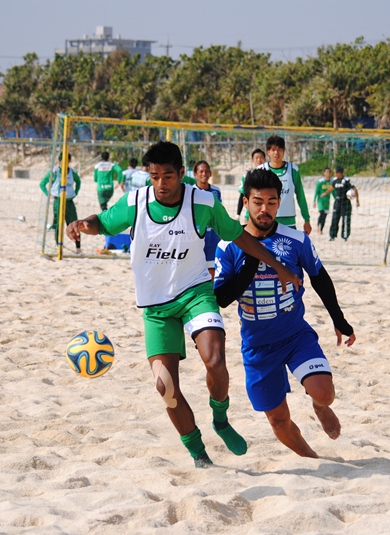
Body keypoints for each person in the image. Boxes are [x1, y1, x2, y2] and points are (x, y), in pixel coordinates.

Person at [66, 141, 302, 468]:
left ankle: (220, 418)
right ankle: (199, 453)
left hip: (196, 294)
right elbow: (102, 222)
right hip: (156, 309)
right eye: (155, 177)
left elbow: (239, 236)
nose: (161, 184)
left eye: (168, 176)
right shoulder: (135, 201)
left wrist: (278, 266)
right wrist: (81, 225)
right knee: (164, 387)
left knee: (215, 360)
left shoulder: (203, 202)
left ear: (181, 173)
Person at [214, 168, 355, 458]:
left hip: (294, 336)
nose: (264, 209)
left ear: (280, 203)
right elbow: (222, 298)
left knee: (325, 393)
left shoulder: (296, 240)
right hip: (257, 346)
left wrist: (338, 319)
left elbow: (320, 277)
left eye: (271, 202)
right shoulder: (228, 246)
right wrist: (252, 259)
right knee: (279, 421)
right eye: (257, 202)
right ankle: (315, 461)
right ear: (245, 202)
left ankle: (319, 407)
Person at [258, 136, 312, 234]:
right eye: (273, 150)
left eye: (279, 149)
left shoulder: (293, 170)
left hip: (289, 222)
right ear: (268, 151)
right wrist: (248, 217)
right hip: (267, 220)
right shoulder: (261, 170)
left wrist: (306, 219)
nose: (276, 153)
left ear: (284, 150)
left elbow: (300, 196)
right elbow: (255, 196)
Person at [40, 153, 82, 253]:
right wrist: (48, 194)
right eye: (62, 161)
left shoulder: (72, 172)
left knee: (74, 225)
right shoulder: (54, 172)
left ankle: (78, 248)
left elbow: (78, 182)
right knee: (58, 224)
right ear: (59, 161)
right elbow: (42, 184)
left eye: (67, 161)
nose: (64, 163)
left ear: (69, 162)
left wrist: (75, 192)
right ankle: (59, 246)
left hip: (69, 202)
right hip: (58, 201)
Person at [193, 160, 222, 278]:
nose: (204, 174)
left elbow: (219, 214)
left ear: (210, 173)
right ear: (195, 174)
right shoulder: (191, 192)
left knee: (212, 270)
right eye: (201, 171)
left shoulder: (216, 191)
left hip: (213, 236)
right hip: (197, 236)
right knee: (196, 270)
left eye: (206, 171)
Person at [325, 167, 359, 241]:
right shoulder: (335, 180)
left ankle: (345, 236)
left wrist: (357, 200)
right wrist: (325, 193)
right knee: (334, 219)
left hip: (346, 203)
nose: (334, 174)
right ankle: (332, 235)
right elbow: (331, 187)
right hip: (337, 202)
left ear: (339, 173)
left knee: (346, 220)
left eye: (335, 172)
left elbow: (355, 189)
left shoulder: (347, 180)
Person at [238, 148, 266, 220]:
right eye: (256, 158)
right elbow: (242, 195)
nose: (259, 160)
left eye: (261, 157)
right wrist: (238, 214)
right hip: (250, 215)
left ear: (265, 159)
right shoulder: (247, 176)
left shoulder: (270, 175)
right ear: (252, 160)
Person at [314, 167, 334, 234]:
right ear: (324, 173)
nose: (328, 173)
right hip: (321, 201)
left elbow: (333, 192)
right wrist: (314, 201)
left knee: (325, 216)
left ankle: (321, 229)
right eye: (326, 172)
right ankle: (318, 226)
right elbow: (316, 192)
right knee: (322, 213)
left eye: (329, 172)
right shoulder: (320, 181)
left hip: (327, 202)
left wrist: (336, 199)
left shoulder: (331, 182)